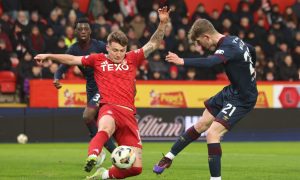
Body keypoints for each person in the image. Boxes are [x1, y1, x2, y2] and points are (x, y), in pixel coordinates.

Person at [34, 6, 170, 179]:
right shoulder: (97, 60)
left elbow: (153, 43)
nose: (119, 54)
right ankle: (93, 154)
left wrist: (163, 23)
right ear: (107, 47)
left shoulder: (132, 57)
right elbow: (72, 59)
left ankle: (104, 175)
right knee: (104, 127)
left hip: (129, 114)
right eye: (115, 50)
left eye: (122, 50)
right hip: (109, 107)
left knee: (136, 168)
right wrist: (49, 56)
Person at [153, 18, 258, 180]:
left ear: (207, 37)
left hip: (243, 97)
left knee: (212, 134)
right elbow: (252, 49)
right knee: (201, 124)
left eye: (199, 41)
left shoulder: (228, 46)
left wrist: (182, 61)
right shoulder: (234, 40)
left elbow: (211, 63)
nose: (200, 46)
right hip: (232, 90)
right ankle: (169, 157)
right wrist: (251, 70)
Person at [53, 18, 116, 155]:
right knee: (96, 123)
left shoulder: (99, 46)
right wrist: (57, 77)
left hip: (104, 85)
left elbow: (115, 57)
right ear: (75, 31)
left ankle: (114, 152)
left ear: (90, 31)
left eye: (86, 29)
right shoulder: (73, 49)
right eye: (80, 29)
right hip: (91, 88)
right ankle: (104, 148)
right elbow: (62, 66)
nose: (83, 31)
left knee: (88, 116)